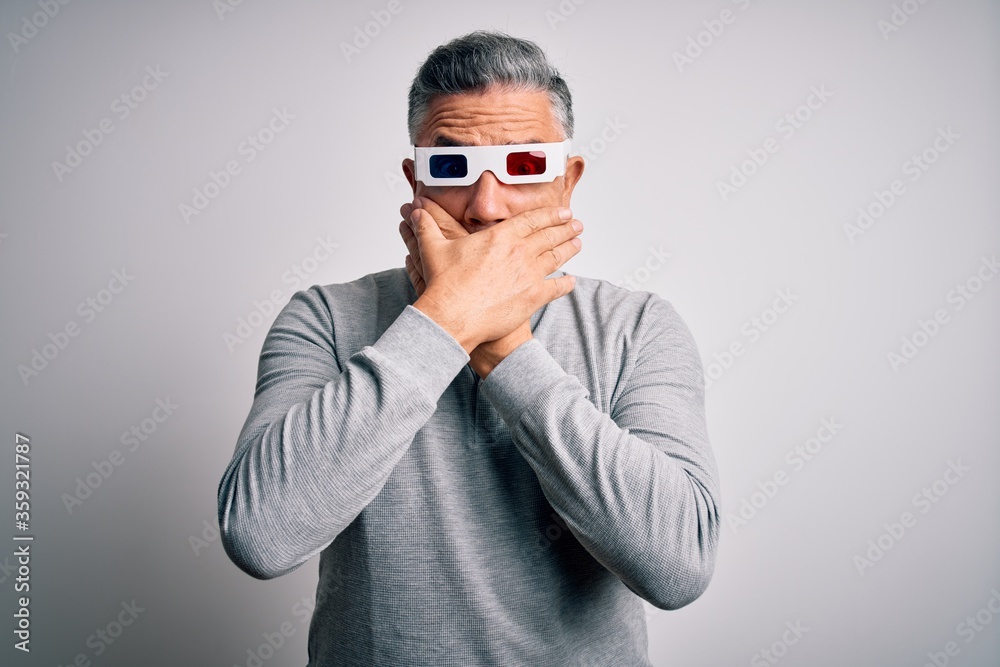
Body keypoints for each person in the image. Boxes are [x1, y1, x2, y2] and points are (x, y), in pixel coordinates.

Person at [217, 30, 720, 666]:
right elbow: (261, 536)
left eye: (526, 166)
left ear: (567, 182)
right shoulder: (324, 317)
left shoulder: (639, 326)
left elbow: (677, 566)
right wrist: (445, 320)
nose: (486, 206)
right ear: (414, 182)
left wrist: (505, 347)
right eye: (450, 166)